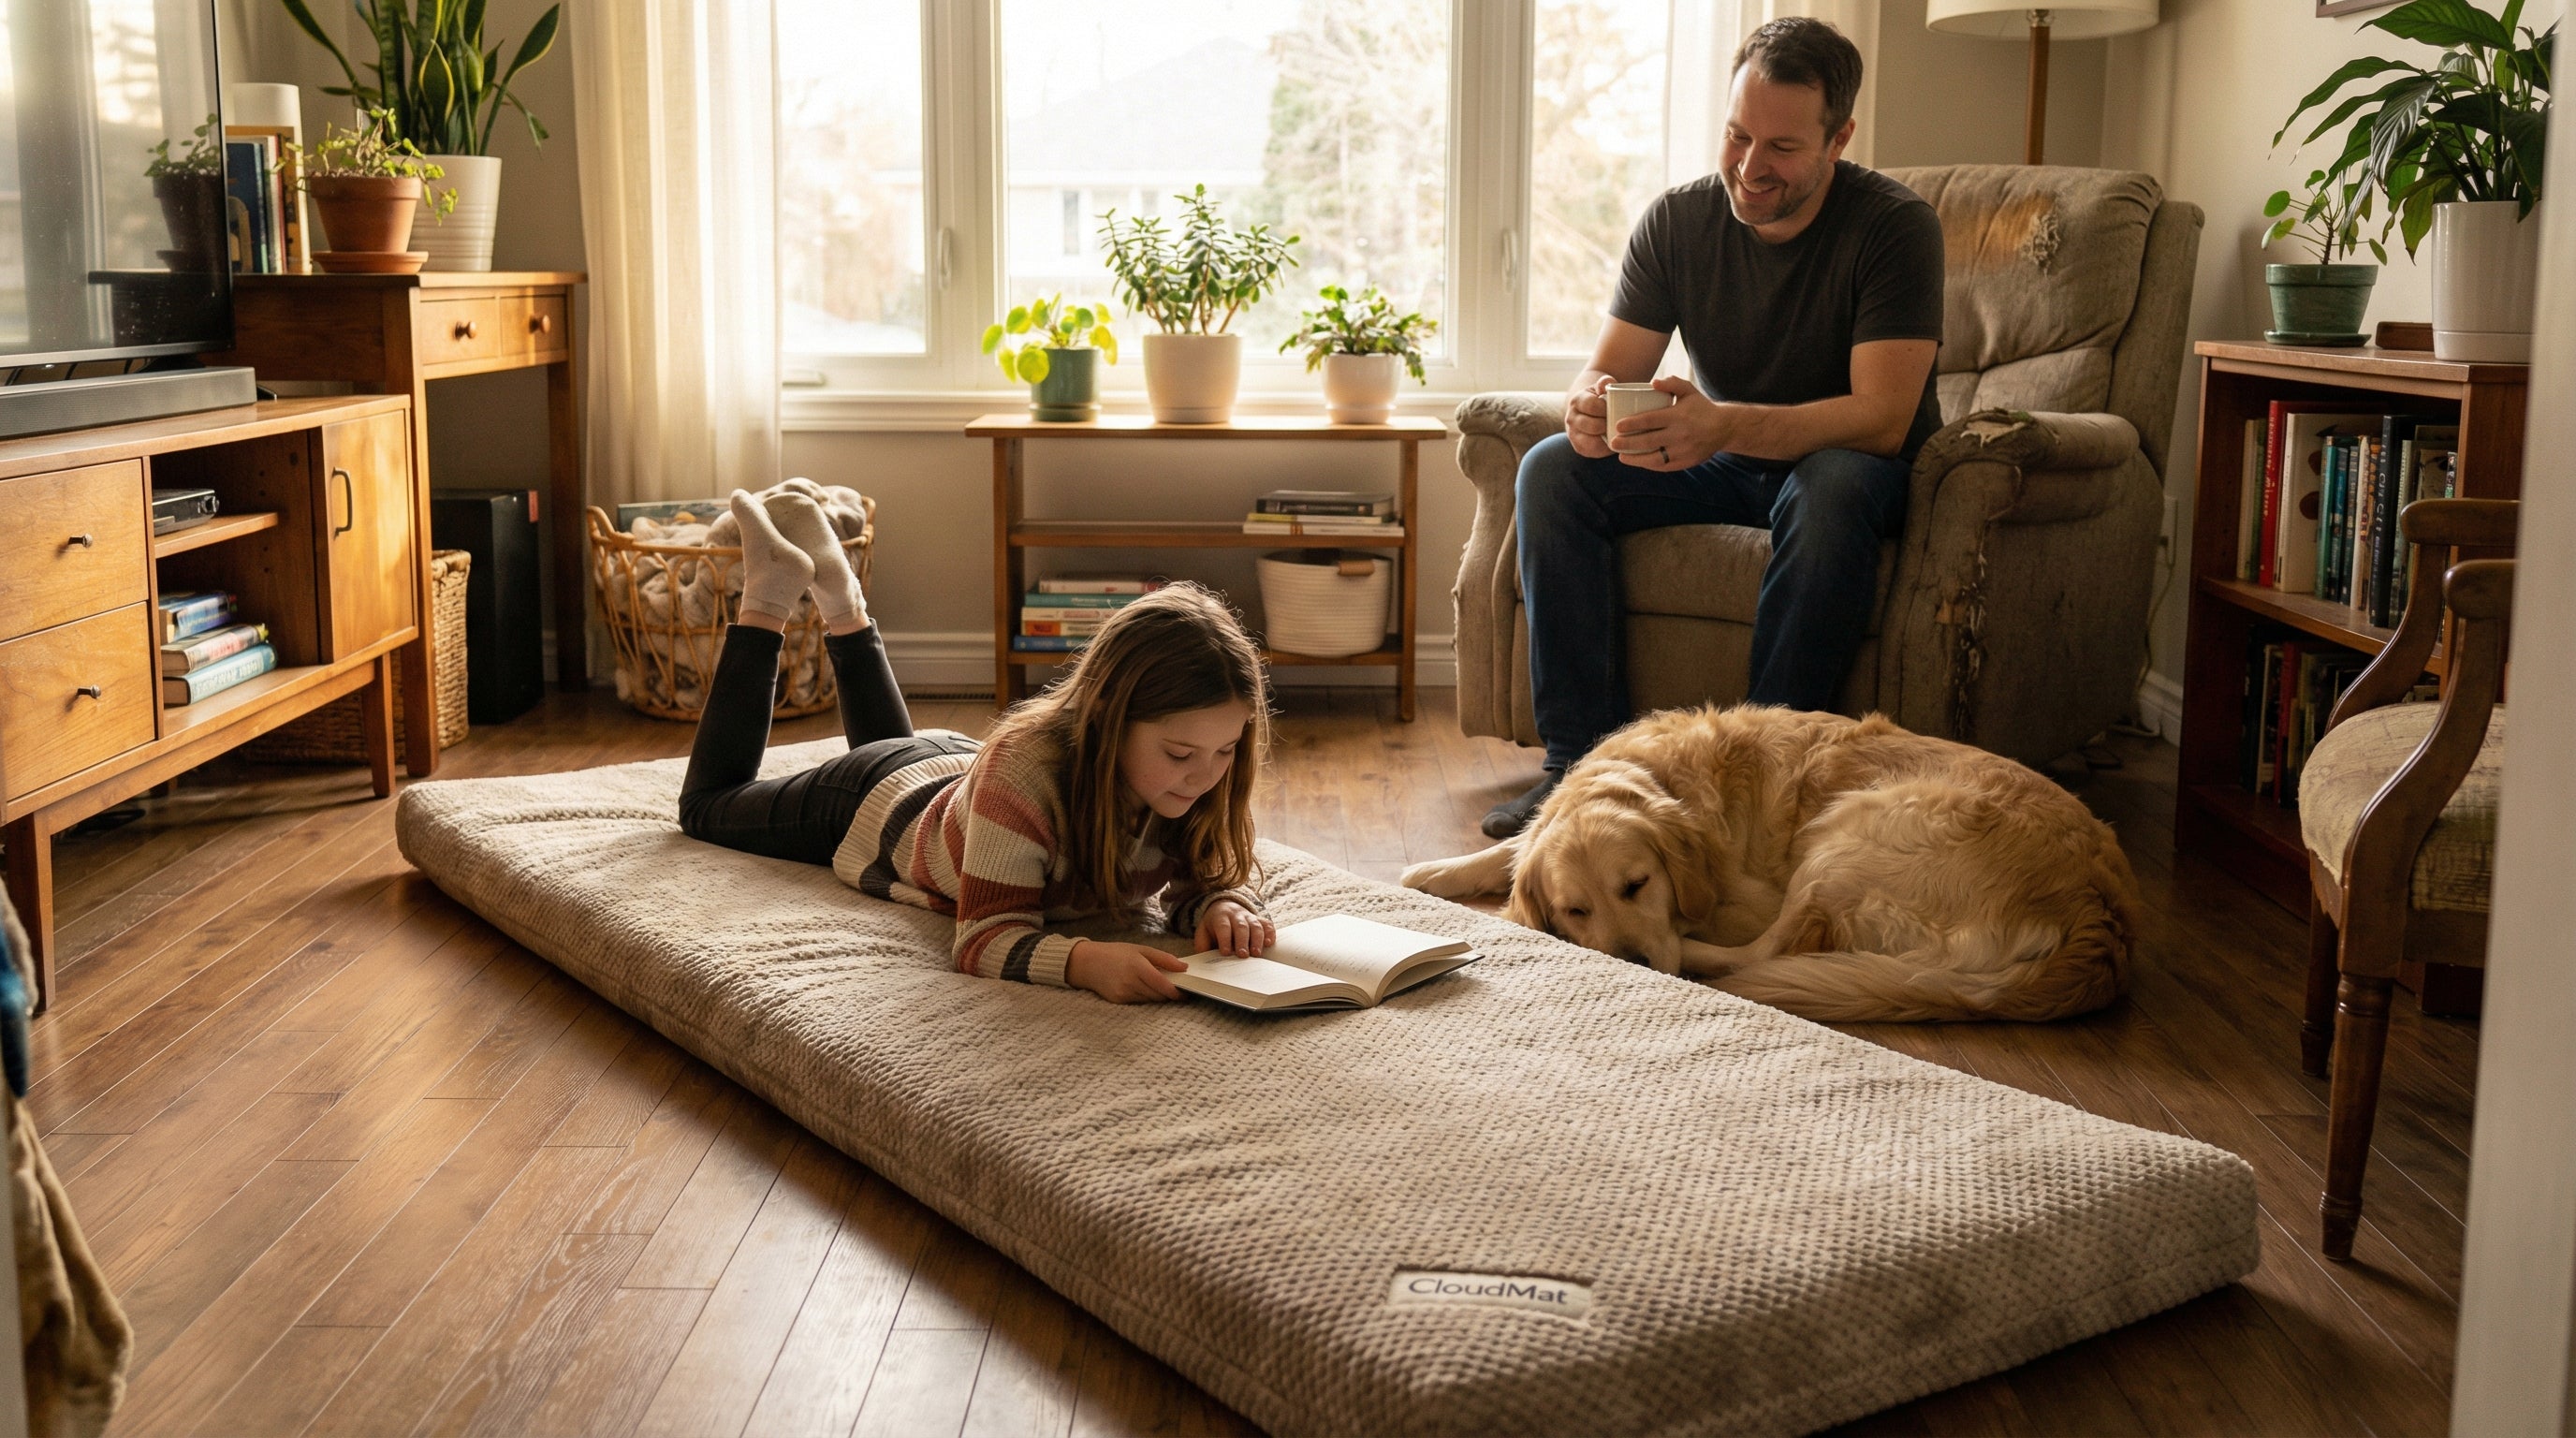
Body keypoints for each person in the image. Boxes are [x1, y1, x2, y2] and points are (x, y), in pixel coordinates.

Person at [1485, 15, 1946, 839]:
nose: (1750, 167)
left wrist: (1722, 426)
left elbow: (1881, 419)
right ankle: (1582, 775)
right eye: (1737, 135)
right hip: (1729, 458)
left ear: (1838, 138)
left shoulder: (1894, 228)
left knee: (1830, 483)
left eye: (1782, 147)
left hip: (1855, 471)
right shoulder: (1679, 221)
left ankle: (1762, 790)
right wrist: (1592, 408)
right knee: (1553, 468)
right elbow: (1607, 367)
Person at [678, 485, 1274, 1004]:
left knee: (908, 755)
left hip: (954, 772)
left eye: (1225, 752)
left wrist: (1223, 905)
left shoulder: (1193, 769)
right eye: (1179, 754)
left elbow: (1207, 878)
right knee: (707, 806)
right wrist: (1084, 961)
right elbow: (984, 937)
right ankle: (769, 595)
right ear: (1107, 721)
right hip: (873, 798)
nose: (1204, 776)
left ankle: (841, 597)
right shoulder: (1024, 776)